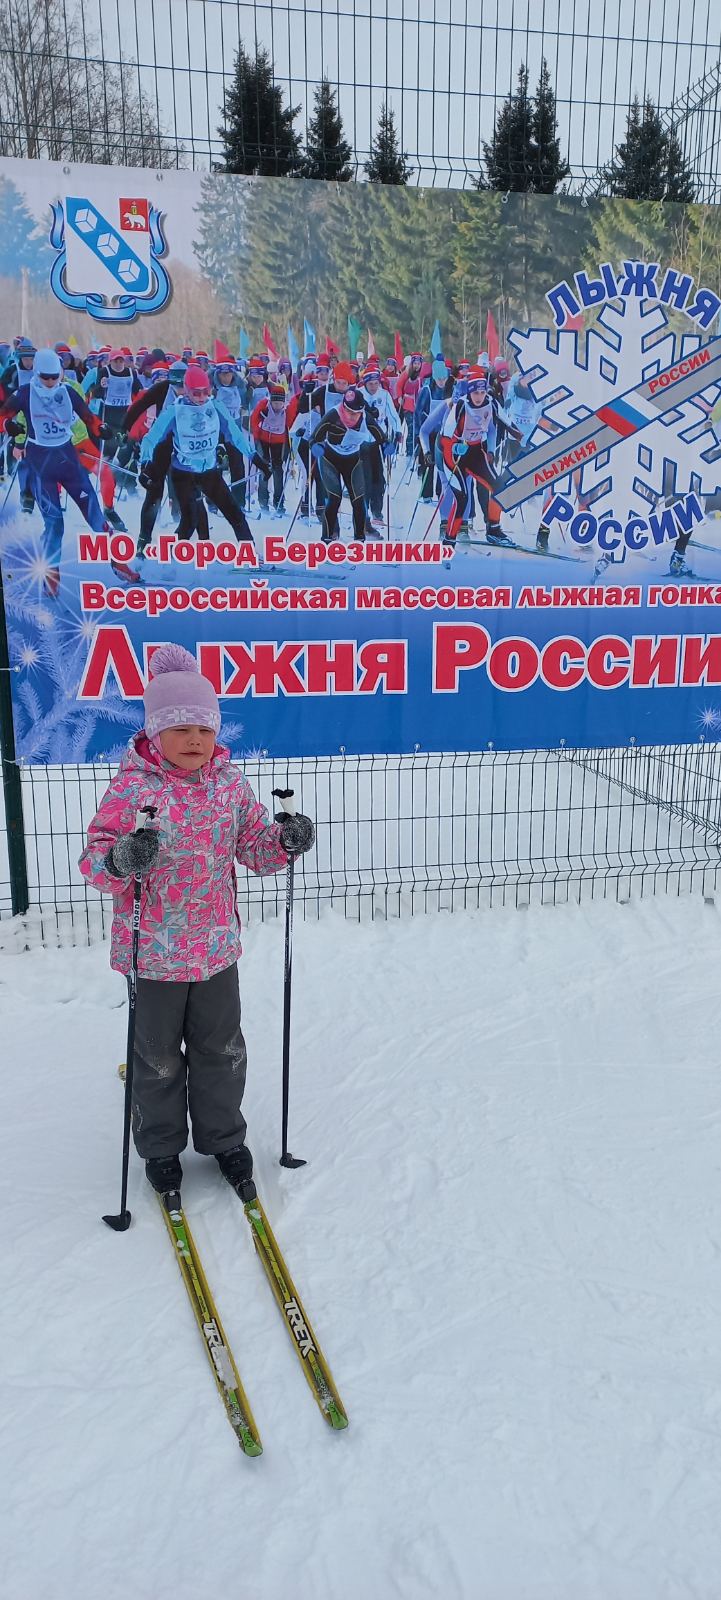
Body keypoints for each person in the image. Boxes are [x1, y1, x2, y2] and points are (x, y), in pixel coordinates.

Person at [78, 643, 315, 1198]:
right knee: (157, 1057)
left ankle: (224, 1138)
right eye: (181, 728)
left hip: (215, 949)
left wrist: (284, 840)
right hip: (153, 954)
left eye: (205, 729)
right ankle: (161, 1148)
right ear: (155, 731)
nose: (195, 740)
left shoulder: (229, 784)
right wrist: (122, 859)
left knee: (221, 1051)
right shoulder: (133, 787)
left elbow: (254, 845)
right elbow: (95, 860)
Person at [0, 347, 112, 597]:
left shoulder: (67, 391)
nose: (51, 382)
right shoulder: (25, 393)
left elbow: (88, 417)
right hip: (41, 467)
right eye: (45, 377)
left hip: (68, 461)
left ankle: (119, 563)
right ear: (37, 373)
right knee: (55, 524)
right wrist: (8, 425)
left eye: (54, 376)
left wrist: (101, 428)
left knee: (95, 516)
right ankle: (52, 577)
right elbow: (2, 416)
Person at [140, 365, 265, 544]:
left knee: (235, 513)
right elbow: (151, 438)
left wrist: (254, 457)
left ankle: (249, 551)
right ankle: (170, 552)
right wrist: (145, 462)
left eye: (206, 392)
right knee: (190, 521)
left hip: (209, 472)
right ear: (186, 390)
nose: (202, 397)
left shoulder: (215, 406)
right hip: (184, 474)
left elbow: (235, 435)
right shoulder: (174, 411)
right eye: (196, 393)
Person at [440, 365, 512, 548]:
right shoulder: (460, 405)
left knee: (499, 488)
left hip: (476, 452)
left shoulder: (490, 403)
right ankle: (449, 539)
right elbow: (444, 438)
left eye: (482, 392)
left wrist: (491, 450)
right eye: (475, 393)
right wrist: (454, 447)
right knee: (462, 498)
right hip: (454, 457)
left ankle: (493, 529)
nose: (479, 396)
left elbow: (493, 429)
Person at [312, 384, 385, 543]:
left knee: (358, 499)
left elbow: (380, 436)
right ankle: (327, 538)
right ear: (343, 407)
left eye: (355, 413)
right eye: (349, 412)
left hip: (352, 460)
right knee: (334, 498)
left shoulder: (365, 417)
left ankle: (359, 539)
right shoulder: (333, 414)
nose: (352, 416)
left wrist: (386, 445)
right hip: (330, 459)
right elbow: (315, 436)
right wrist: (316, 446)